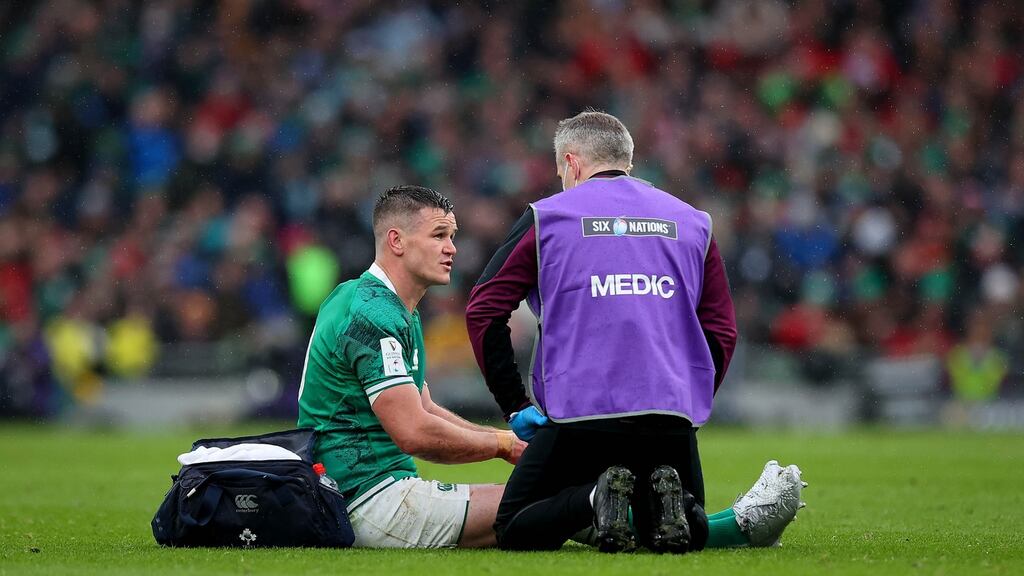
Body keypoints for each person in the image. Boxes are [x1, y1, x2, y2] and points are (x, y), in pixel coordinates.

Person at [466, 111, 805, 553]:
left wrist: (513, 404)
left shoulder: (547, 218)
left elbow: (484, 310)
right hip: (670, 417)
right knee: (669, 533)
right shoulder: (692, 221)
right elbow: (721, 329)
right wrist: (689, 396)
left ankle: (595, 495)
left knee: (515, 524)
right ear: (628, 160)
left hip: (579, 414)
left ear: (571, 164)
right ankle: (701, 510)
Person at [296, 185, 527, 548]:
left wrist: (509, 441)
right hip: (367, 502)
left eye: (452, 236)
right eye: (438, 235)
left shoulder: (387, 306)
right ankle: (629, 516)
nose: (451, 248)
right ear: (396, 241)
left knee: (541, 497)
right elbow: (414, 432)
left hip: (371, 494)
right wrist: (503, 446)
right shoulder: (373, 313)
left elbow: (425, 408)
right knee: (539, 500)